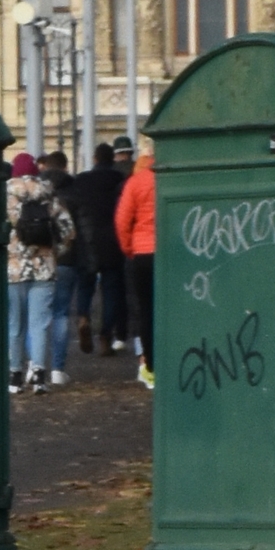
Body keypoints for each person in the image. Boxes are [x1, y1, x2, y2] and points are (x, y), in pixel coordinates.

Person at [4, 154, 74, 396]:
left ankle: (14, 377)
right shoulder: (49, 194)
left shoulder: (6, 195)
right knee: (40, 324)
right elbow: (67, 230)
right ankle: (39, 376)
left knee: (14, 325)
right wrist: (54, 252)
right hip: (44, 269)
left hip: (13, 270)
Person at [63, 141, 130, 355]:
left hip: (87, 242)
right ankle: (105, 335)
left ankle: (83, 316)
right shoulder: (119, 181)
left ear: (94, 159)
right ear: (112, 159)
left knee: (86, 286)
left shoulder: (81, 181)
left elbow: (71, 209)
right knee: (111, 291)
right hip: (113, 242)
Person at [115, 138, 158, 389]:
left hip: (141, 252)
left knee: (145, 309)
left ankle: (151, 364)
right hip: (169, 252)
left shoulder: (135, 182)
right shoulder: (166, 179)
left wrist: (128, 248)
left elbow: (122, 221)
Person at [40, 150, 81, 386]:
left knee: (36, 317)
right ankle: (57, 368)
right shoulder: (74, 189)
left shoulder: (36, 192)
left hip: (39, 259)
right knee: (61, 312)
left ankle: (35, 367)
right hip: (66, 260)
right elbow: (76, 230)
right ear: (65, 167)